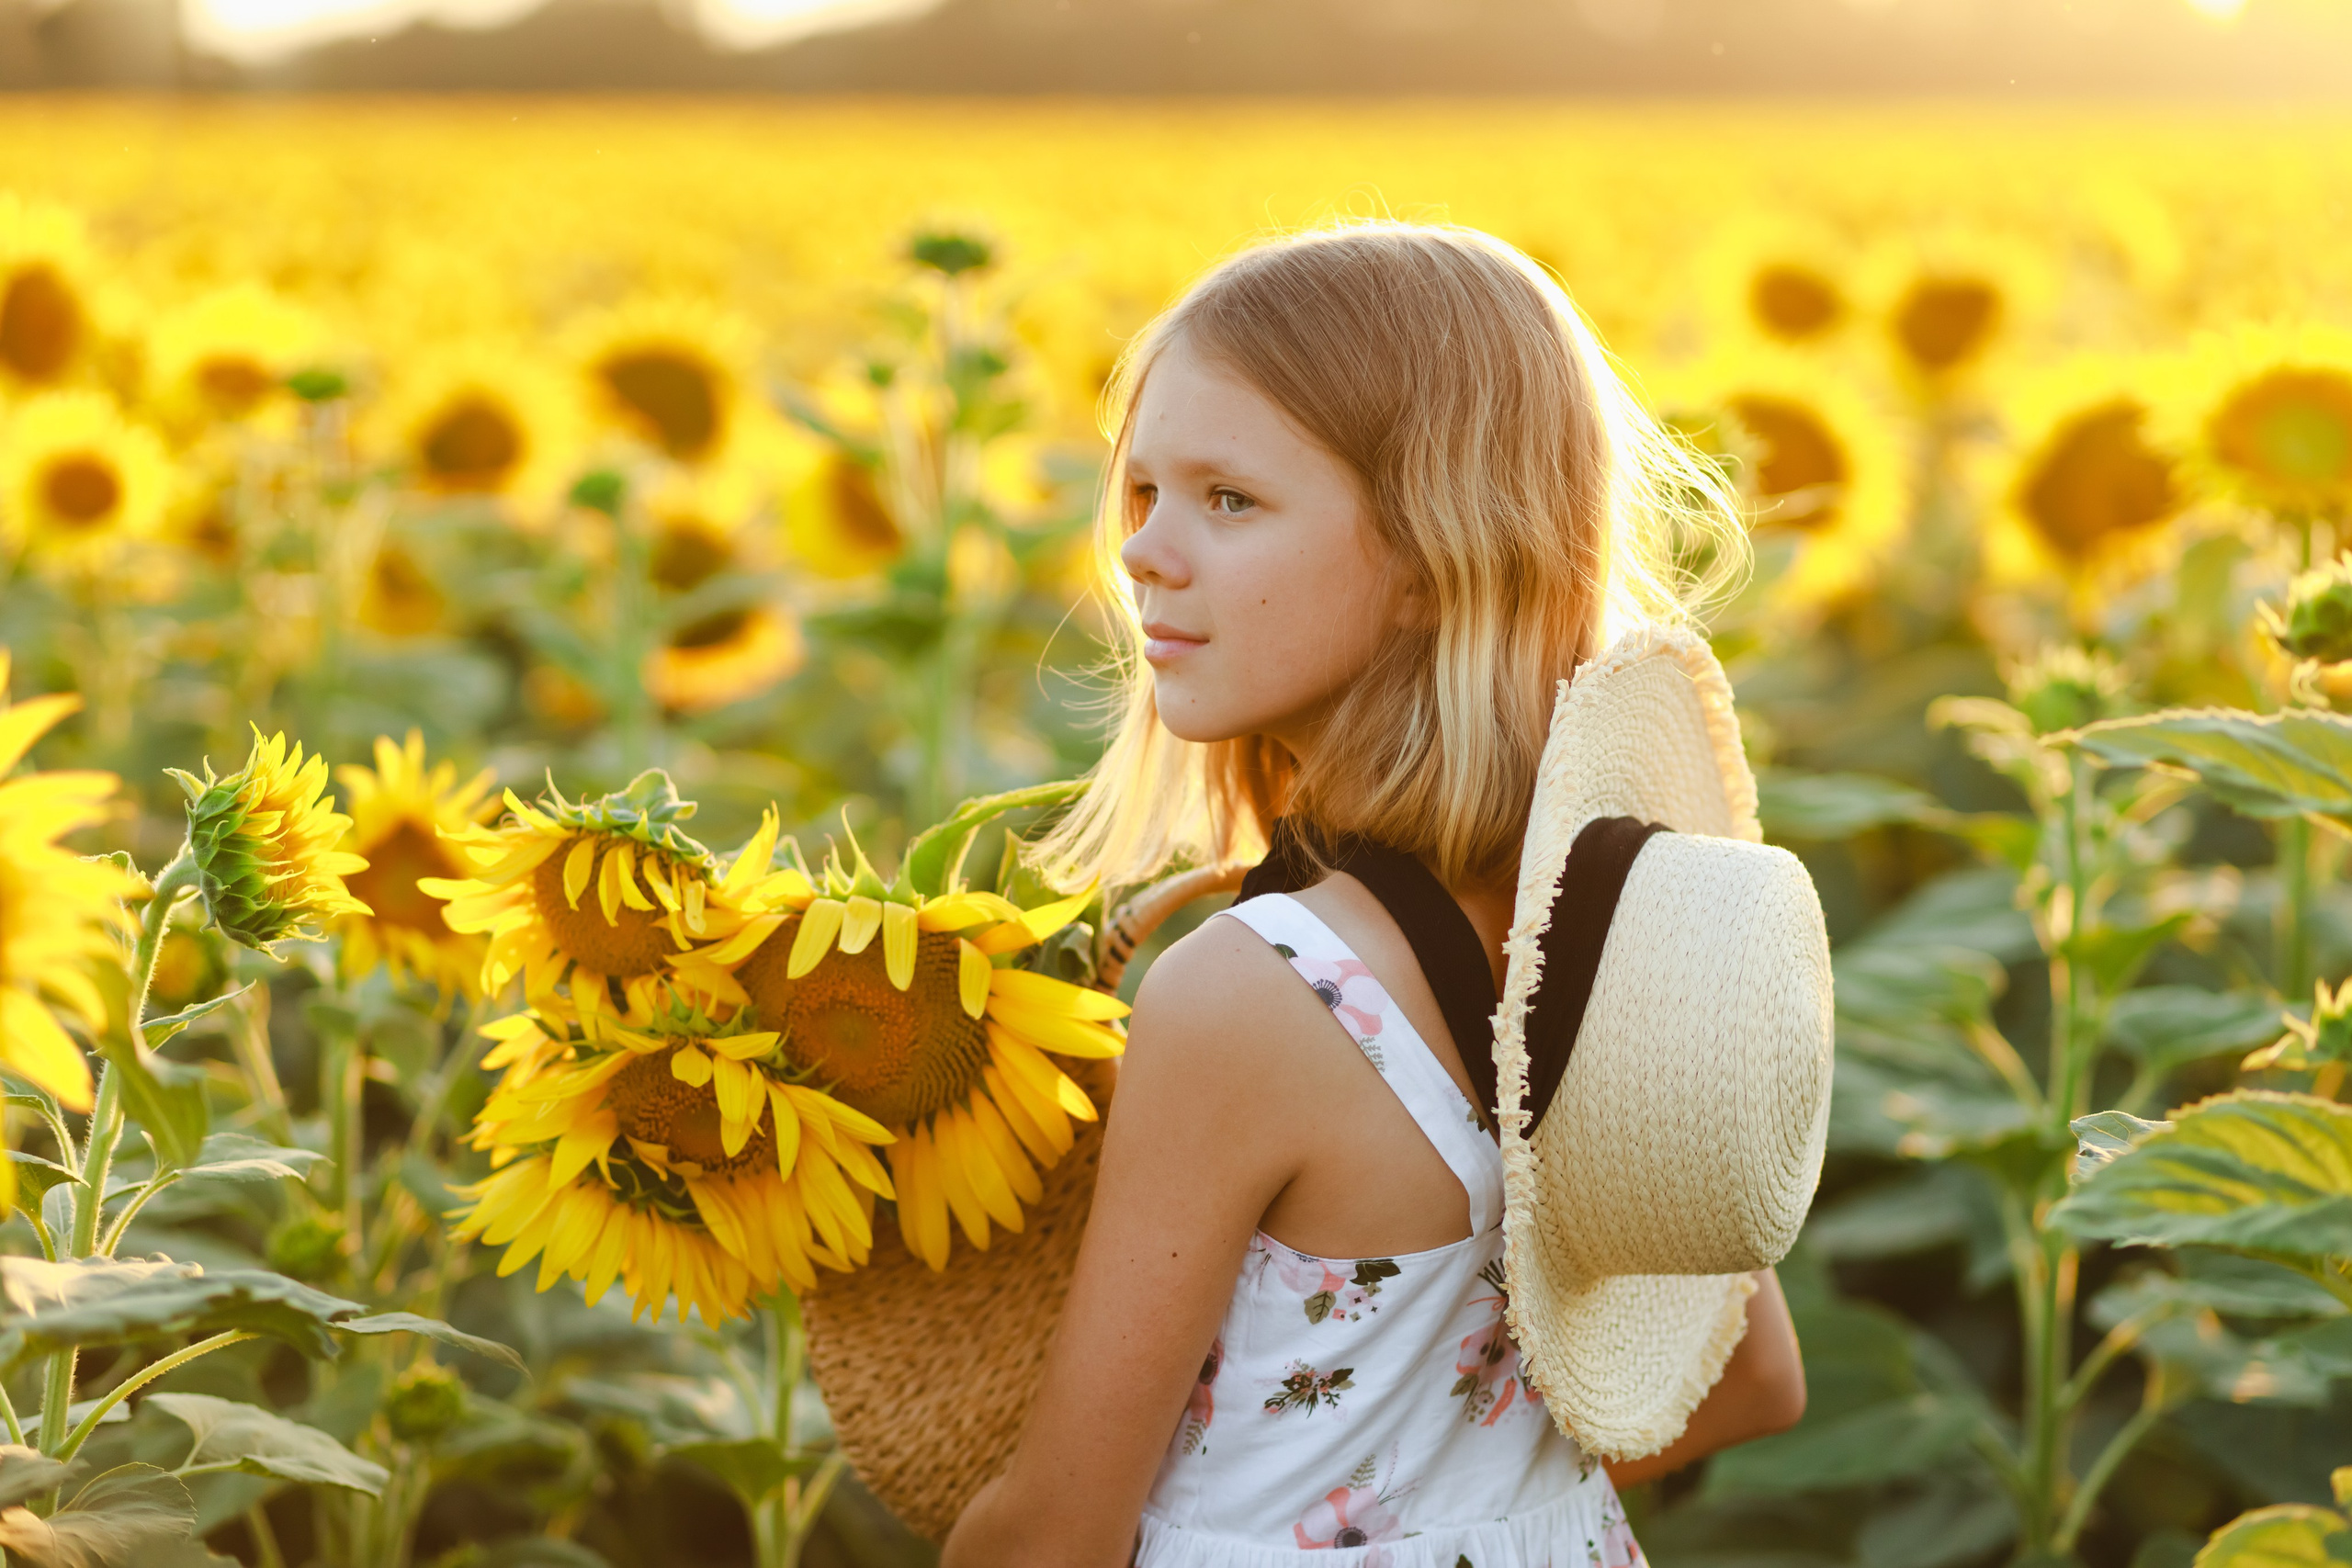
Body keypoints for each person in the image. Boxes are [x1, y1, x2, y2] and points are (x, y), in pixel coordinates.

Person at [941, 221, 1809, 1568]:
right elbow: (1749, 1382)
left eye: (1230, 499)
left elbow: (1054, 1540)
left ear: (1429, 560)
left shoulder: (1256, 994)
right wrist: (1456, 1496)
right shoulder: (1615, 926)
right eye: (1145, 492)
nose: (1146, 552)